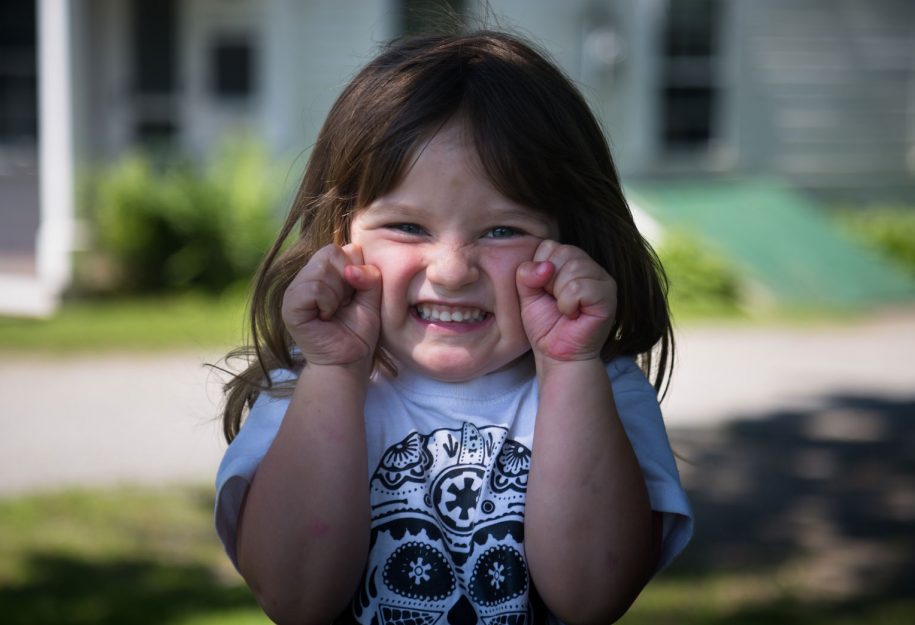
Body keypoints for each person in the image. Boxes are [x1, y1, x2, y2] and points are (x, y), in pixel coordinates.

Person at [214, 30, 692, 625]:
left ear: (571, 241)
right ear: (342, 234)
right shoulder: (304, 386)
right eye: (408, 227)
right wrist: (335, 370)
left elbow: (591, 597)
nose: (452, 270)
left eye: (502, 231)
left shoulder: (601, 388)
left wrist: (569, 366)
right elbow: (295, 599)